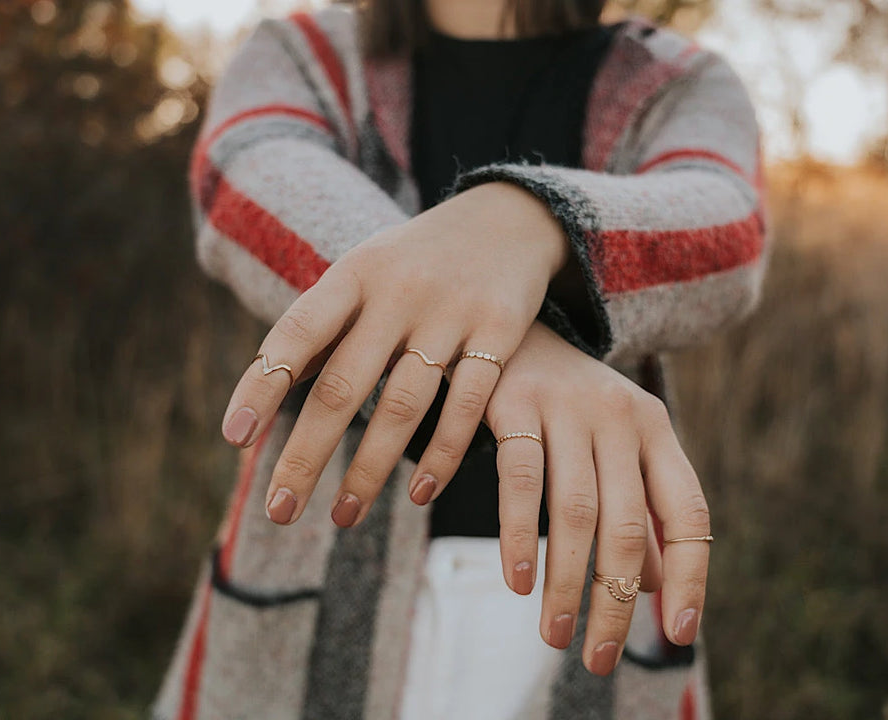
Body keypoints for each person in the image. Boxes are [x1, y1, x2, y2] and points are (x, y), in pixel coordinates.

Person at [153, 0, 767, 718]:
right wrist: (518, 348)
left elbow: (726, 226)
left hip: (574, 593)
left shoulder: (681, 81)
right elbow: (248, 173)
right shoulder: (306, 51)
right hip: (312, 579)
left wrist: (526, 220)